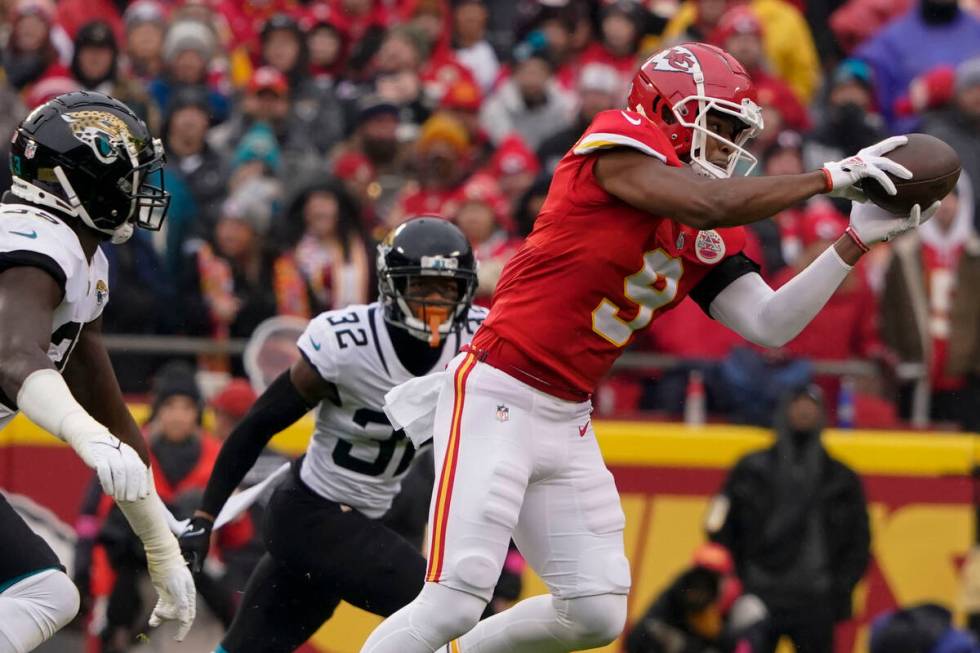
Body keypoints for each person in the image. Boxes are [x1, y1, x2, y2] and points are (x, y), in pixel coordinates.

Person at [357, 42, 934, 653]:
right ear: (669, 108)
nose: (729, 143)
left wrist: (852, 240)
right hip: (498, 387)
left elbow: (769, 324)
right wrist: (829, 178)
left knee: (594, 612)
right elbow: (701, 200)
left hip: (567, 413)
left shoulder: (708, 225)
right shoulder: (619, 141)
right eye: (721, 123)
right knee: (455, 595)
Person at [178, 217, 486, 653]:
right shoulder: (348, 344)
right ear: (391, 285)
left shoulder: (480, 338)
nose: (435, 300)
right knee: (454, 615)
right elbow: (259, 423)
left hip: (361, 516)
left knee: (247, 649)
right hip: (310, 513)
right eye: (421, 285)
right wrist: (207, 515)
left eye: (447, 287)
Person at [0, 92, 194, 650]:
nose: (143, 191)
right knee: (45, 594)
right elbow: (13, 356)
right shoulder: (33, 236)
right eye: (133, 174)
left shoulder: (86, 258)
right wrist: (83, 436)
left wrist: (162, 548)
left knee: (48, 594)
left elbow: (112, 418)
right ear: (87, 178)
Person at [705, 385, 871, 653]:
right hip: (758, 594)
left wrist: (839, 589)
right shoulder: (749, 470)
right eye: (798, 403)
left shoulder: (841, 478)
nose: (804, 410)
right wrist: (736, 583)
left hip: (816, 599)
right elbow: (717, 526)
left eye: (812, 404)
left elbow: (859, 541)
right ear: (783, 410)